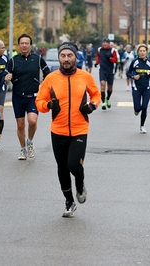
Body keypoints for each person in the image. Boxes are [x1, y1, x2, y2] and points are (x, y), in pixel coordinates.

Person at [36, 42, 101, 217]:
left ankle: (80, 185)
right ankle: (69, 201)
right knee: (62, 168)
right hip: (58, 130)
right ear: (59, 58)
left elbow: (96, 95)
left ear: (75, 57)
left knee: (74, 164)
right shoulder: (51, 79)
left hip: (80, 129)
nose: (66, 59)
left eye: (69, 55)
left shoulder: (85, 76)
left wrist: (92, 106)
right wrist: (48, 104)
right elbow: (39, 102)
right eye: (63, 56)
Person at [8, 34, 50, 160]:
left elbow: (48, 74)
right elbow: (6, 73)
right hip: (18, 96)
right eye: (22, 43)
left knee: (32, 121)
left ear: (30, 45)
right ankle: (23, 149)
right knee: (20, 125)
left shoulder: (38, 59)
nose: (24, 45)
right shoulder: (13, 60)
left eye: (27, 43)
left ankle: (30, 142)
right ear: (19, 45)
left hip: (33, 96)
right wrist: (6, 77)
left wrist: (43, 84)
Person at [126, 44, 150, 134]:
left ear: (146, 52)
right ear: (138, 52)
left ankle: (142, 126)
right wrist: (133, 76)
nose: (142, 52)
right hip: (136, 87)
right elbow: (128, 73)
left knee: (144, 107)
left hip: (147, 87)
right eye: (141, 51)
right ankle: (136, 110)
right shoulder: (135, 62)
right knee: (138, 107)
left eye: (144, 51)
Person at [95, 38, 118, 110]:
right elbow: (99, 57)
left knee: (110, 87)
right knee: (102, 85)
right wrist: (97, 62)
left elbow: (116, 60)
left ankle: (108, 98)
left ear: (109, 44)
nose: (105, 43)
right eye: (104, 42)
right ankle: (103, 102)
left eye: (106, 42)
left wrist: (110, 58)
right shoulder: (99, 49)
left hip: (110, 71)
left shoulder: (113, 50)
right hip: (102, 70)